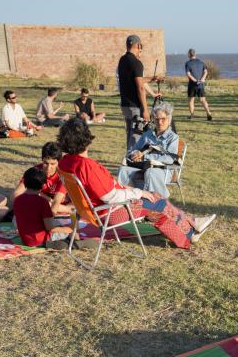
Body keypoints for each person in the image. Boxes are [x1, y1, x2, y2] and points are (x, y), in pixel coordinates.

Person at [57, 118, 215, 248]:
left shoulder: (66, 163)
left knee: (155, 206)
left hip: (95, 211)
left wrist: (128, 188)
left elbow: (103, 189)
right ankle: (191, 228)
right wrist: (139, 193)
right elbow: (110, 196)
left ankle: (189, 230)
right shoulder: (86, 165)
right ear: (86, 138)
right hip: (110, 212)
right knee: (157, 201)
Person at [14, 166, 94, 250]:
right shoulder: (42, 202)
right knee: (71, 231)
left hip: (26, 240)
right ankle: (76, 242)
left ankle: (63, 242)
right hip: (41, 239)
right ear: (43, 185)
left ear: (25, 182)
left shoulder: (18, 200)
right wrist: (67, 229)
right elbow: (50, 227)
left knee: (60, 227)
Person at [117, 101, 180, 198]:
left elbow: (170, 158)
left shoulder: (173, 137)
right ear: (153, 120)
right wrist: (135, 154)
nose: (159, 122)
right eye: (157, 119)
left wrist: (145, 156)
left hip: (163, 170)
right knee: (123, 170)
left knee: (151, 173)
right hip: (143, 166)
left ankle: (154, 201)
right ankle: (127, 200)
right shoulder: (147, 135)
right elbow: (133, 150)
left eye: (163, 119)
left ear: (169, 119)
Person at [118, 34, 160, 153]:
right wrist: (145, 110)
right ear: (138, 45)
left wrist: (151, 84)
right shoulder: (137, 63)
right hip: (134, 106)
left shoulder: (122, 60)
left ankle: (129, 159)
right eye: (140, 48)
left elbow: (136, 80)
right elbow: (140, 87)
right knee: (136, 136)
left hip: (124, 105)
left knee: (130, 134)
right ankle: (131, 163)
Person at [12, 141, 72, 216]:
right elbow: (16, 194)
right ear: (42, 159)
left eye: (53, 164)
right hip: (47, 203)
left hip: (58, 202)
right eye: (46, 163)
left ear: (59, 162)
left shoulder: (63, 173)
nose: (49, 168)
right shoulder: (35, 171)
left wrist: (50, 219)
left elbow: (56, 201)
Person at [184, 48, 214, 121]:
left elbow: (188, 74)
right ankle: (208, 113)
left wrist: (195, 80)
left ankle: (192, 115)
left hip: (192, 85)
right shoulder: (201, 62)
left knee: (191, 100)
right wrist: (202, 79)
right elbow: (206, 72)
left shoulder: (188, 63)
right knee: (203, 100)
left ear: (189, 54)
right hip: (201, 85)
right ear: (195, 54)